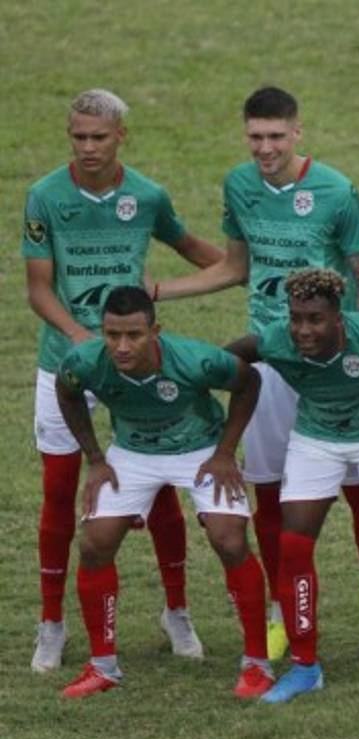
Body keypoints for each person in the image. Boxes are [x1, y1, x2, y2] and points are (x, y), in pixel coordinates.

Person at [153, 87, 359, 667]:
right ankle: (282, 613)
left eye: (276, 137)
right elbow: (236, 267)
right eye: (256, 137)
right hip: (270, 358)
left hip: (332, 364)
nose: (265, 148)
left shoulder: (336, 190)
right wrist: (158, 290)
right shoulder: (239, 185)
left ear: (297, 134)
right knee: (269, 495)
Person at [23, 88, 226, 673]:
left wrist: (249, 265)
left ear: (121, 137)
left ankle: (177, 611)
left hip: (138, 359)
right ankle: (51, 623)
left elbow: (193, 248)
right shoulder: (45, 197)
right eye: (78, 137)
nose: (87, 147)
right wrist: (80, 339)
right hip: (68, 361)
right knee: (60, 491)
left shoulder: (146, 196)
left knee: (158, 485)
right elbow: (39, 288)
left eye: (98, 137)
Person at [225, 269, 359, 704]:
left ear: (339, 318)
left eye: (315, 319)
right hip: (316, 440)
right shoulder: (276, 340)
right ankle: (306, 667)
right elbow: (229, 357)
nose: (303, 330)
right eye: (296, 318)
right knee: (293, 546)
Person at [54, 287, 268, 699]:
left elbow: (249, 381)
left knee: (229, 539)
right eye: (112, 335)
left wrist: (225, 452)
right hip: (132, 454)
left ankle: (257, 664)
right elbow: (67, 391)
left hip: (200, 450)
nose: (122, 346)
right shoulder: (84, 362)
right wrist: (95, 458)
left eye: (134, 335)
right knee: (95, 545)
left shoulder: (196, 359)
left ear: (155, 331)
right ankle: (103, 667)